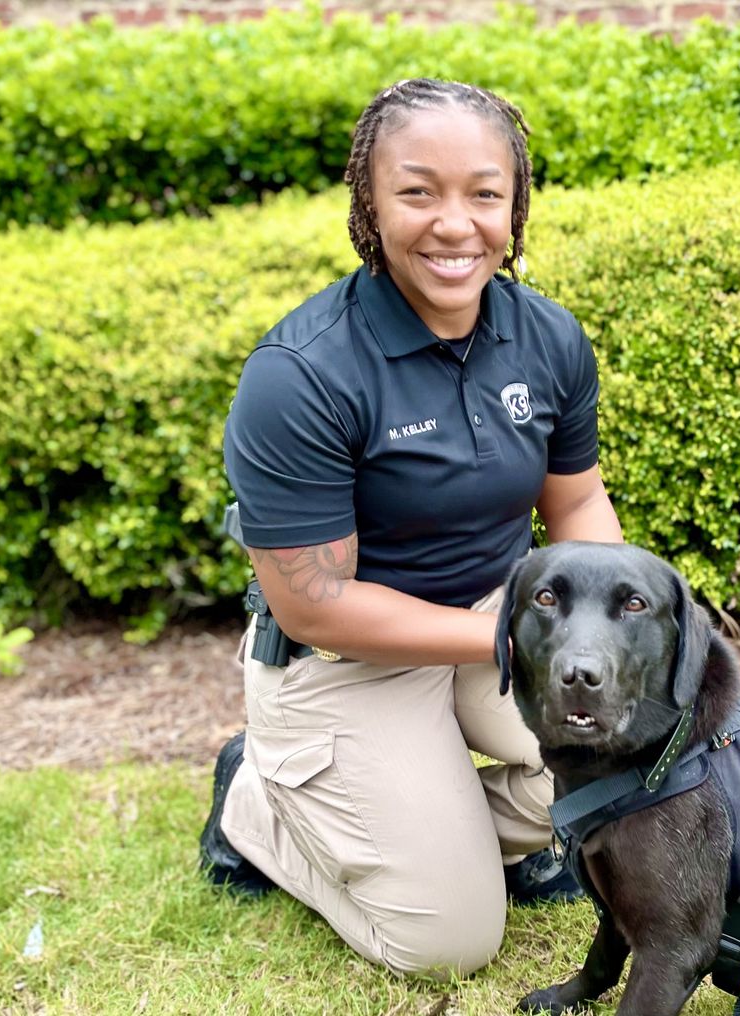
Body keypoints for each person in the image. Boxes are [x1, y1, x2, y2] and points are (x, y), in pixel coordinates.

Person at [198, 77, 624, 979]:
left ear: (515, 206)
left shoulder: (545, 336)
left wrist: (605, 626)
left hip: (487, 625)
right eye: (418, 191)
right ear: (371, 204)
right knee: (448, 939)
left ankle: (428, 814)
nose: (455, 224)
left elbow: (576, 502)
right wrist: (508, 634)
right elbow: (316, 608)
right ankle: (259, 804)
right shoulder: (303, 373)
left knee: (636, 761)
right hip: (348, 662)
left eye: (484, 193)